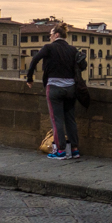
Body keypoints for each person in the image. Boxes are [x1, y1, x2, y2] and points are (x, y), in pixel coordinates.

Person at [26, 22, 81, 160]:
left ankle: (60, 150)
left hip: (55, 88)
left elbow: (34, 60)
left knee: (56, 120)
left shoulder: (49, 48)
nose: (49, 37)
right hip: (71, 88)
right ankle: (74, 150)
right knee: (70, 119)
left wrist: (29, 78)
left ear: (56, 35)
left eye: (50, 34)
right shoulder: (72, 50)